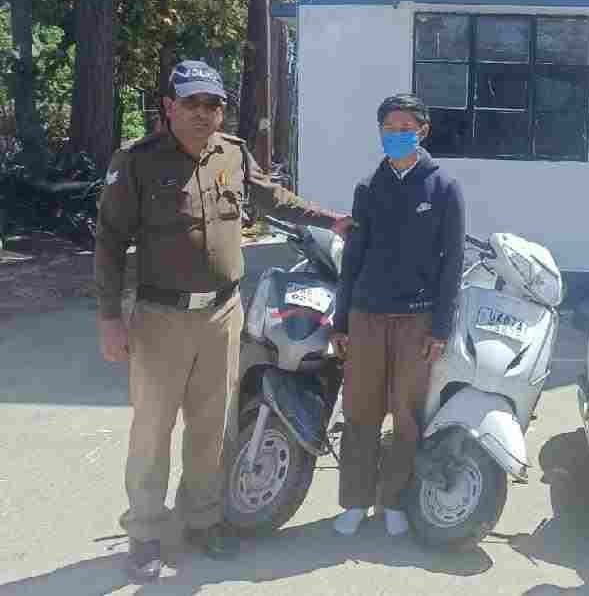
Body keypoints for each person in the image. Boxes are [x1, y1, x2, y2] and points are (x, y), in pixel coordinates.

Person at [94, 59, 353, 582]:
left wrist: (331, 220)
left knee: (212, 426)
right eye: (191, 103)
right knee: (152, 429)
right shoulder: (138, 161)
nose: (203, 113)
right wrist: (109, 319)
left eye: (212, 104)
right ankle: (145, 532)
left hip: (222, 313)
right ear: (168, 107)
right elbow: (110, 241)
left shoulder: (231, 153)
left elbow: (272, 197)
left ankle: (202, 520)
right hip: (161, 316)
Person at [330, 94, 465, 537]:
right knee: (360, 410)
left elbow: (452, 262)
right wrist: (341, 321)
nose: (397, 135)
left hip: (416, 319)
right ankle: (355, 500)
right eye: (389, 128)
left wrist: (441, 327)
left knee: (406, 414)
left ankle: (392, 501)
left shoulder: (443, 187)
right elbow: (353, 258)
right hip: (367, 315)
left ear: (423, 131)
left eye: (406, 128)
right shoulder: (368, 187)